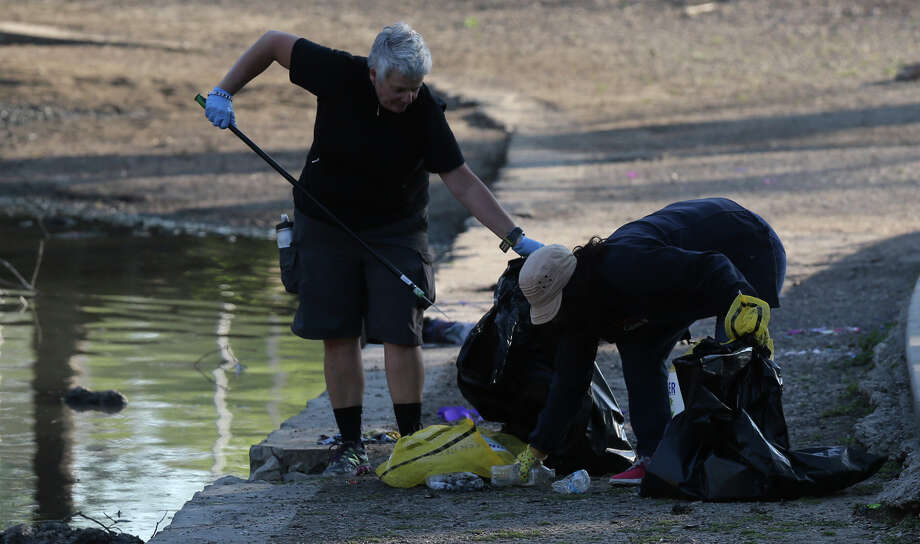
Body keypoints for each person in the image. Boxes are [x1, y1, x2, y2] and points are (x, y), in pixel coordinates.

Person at [203, 23, 542, 475]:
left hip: (396, 229)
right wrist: (224, 92)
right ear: (373, 73)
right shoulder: (338, 72)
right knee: (339, 333)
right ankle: (351, 444)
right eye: (399, 89)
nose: (406, 98)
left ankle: (412, 440)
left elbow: (461, 180)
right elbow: (271, 43)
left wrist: (515, 238)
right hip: (324, 223)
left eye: (414, 88)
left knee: (403, 332)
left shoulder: (423, 112)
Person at [513, 197, 786, 485]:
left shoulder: (630, 266)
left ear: (571, 291)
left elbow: (713, 266)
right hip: (688, 279)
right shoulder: (579, 310)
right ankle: (653, 456)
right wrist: (538, 448)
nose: (556, 319)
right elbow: (570, 381)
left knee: (732, 358)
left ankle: (749, 454)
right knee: (640, 351)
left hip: (748, 247)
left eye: (556, 308)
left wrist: (743, 308)